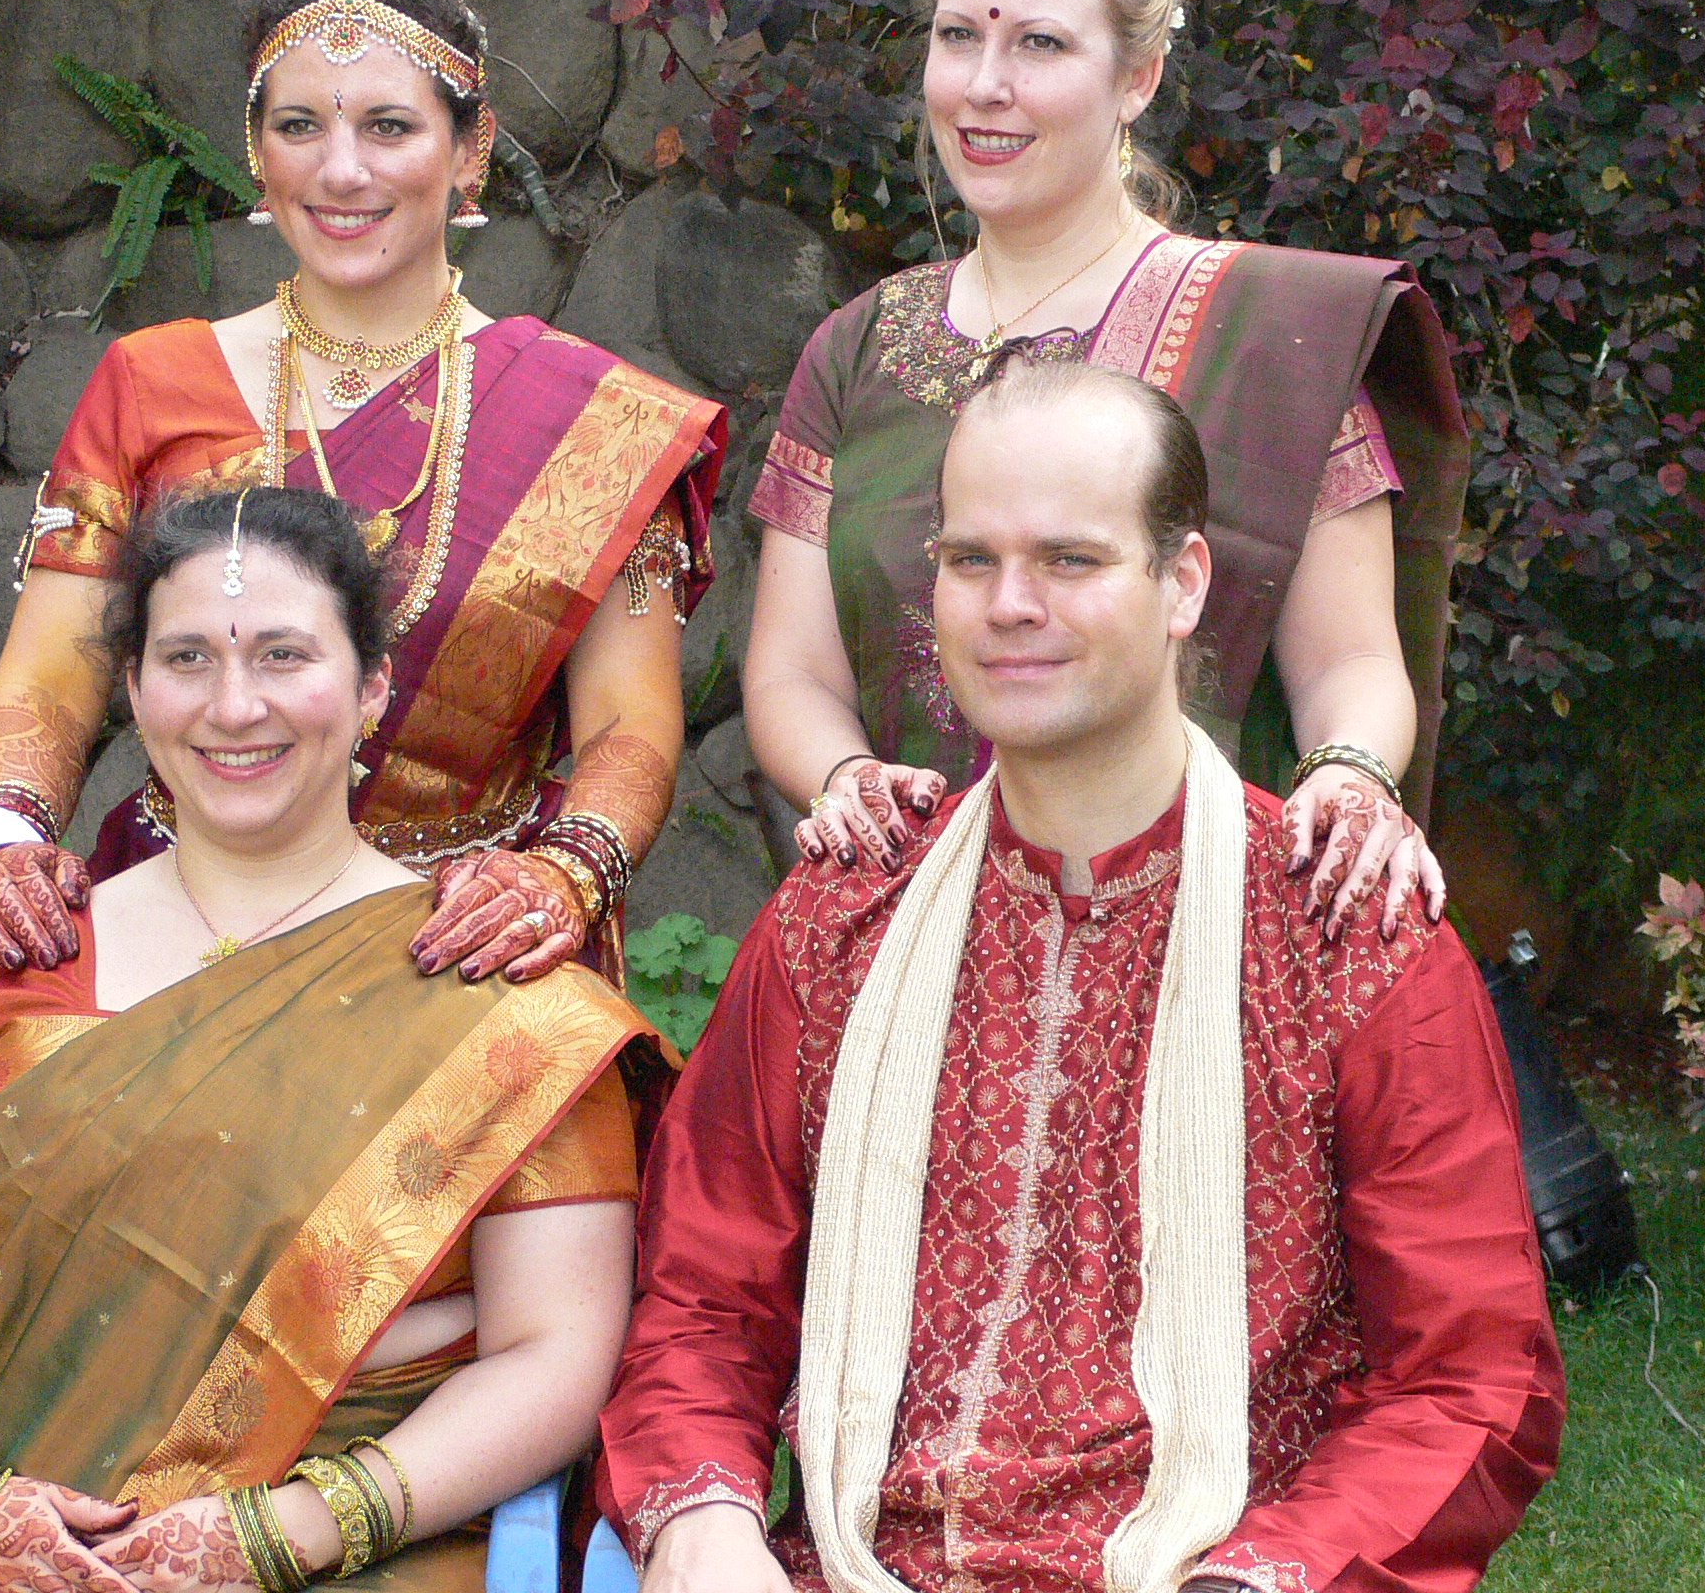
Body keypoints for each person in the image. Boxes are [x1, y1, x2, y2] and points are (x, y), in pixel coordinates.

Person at [602, 354, 1565, 1593]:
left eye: (1070, 560)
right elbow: (702, 1303)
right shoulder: (843, 919)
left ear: (1183, 583)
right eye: (971, 559)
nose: (1011, 604)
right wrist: (703, 1519)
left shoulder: (1343, 935)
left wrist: (1265, 1578)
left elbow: (1468, 1379)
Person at [0, 487, 662, 1593]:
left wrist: (280, 1535)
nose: (235, 707)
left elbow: (554, 1353)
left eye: (284, 656)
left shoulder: (501, 993)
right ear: (132, 689)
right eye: (188, 659)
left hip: (343, 1558)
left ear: (372, 687)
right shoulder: (8, 963)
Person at [0, 0, 727, 985]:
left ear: (470, 147)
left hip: (461, 950)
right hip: (180, 931)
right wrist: (1, 840)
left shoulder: (595, 423)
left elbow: (630, 724)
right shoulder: (152, 383)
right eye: (300, 125)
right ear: (256, 149)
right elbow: (52, 673)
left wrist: (565, 875)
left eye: (388, 127)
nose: (341, 171)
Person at [742, 0, 1463, 932]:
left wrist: (1350, 774)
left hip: (1207, 929)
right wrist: (847, 779)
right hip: (911, 919)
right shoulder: (858, 350)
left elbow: (1352, 659)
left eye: (1040, 44)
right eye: (957, 36)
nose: (985, 85)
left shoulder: (1273, 334)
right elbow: (792, 670)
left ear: (1138, 77)